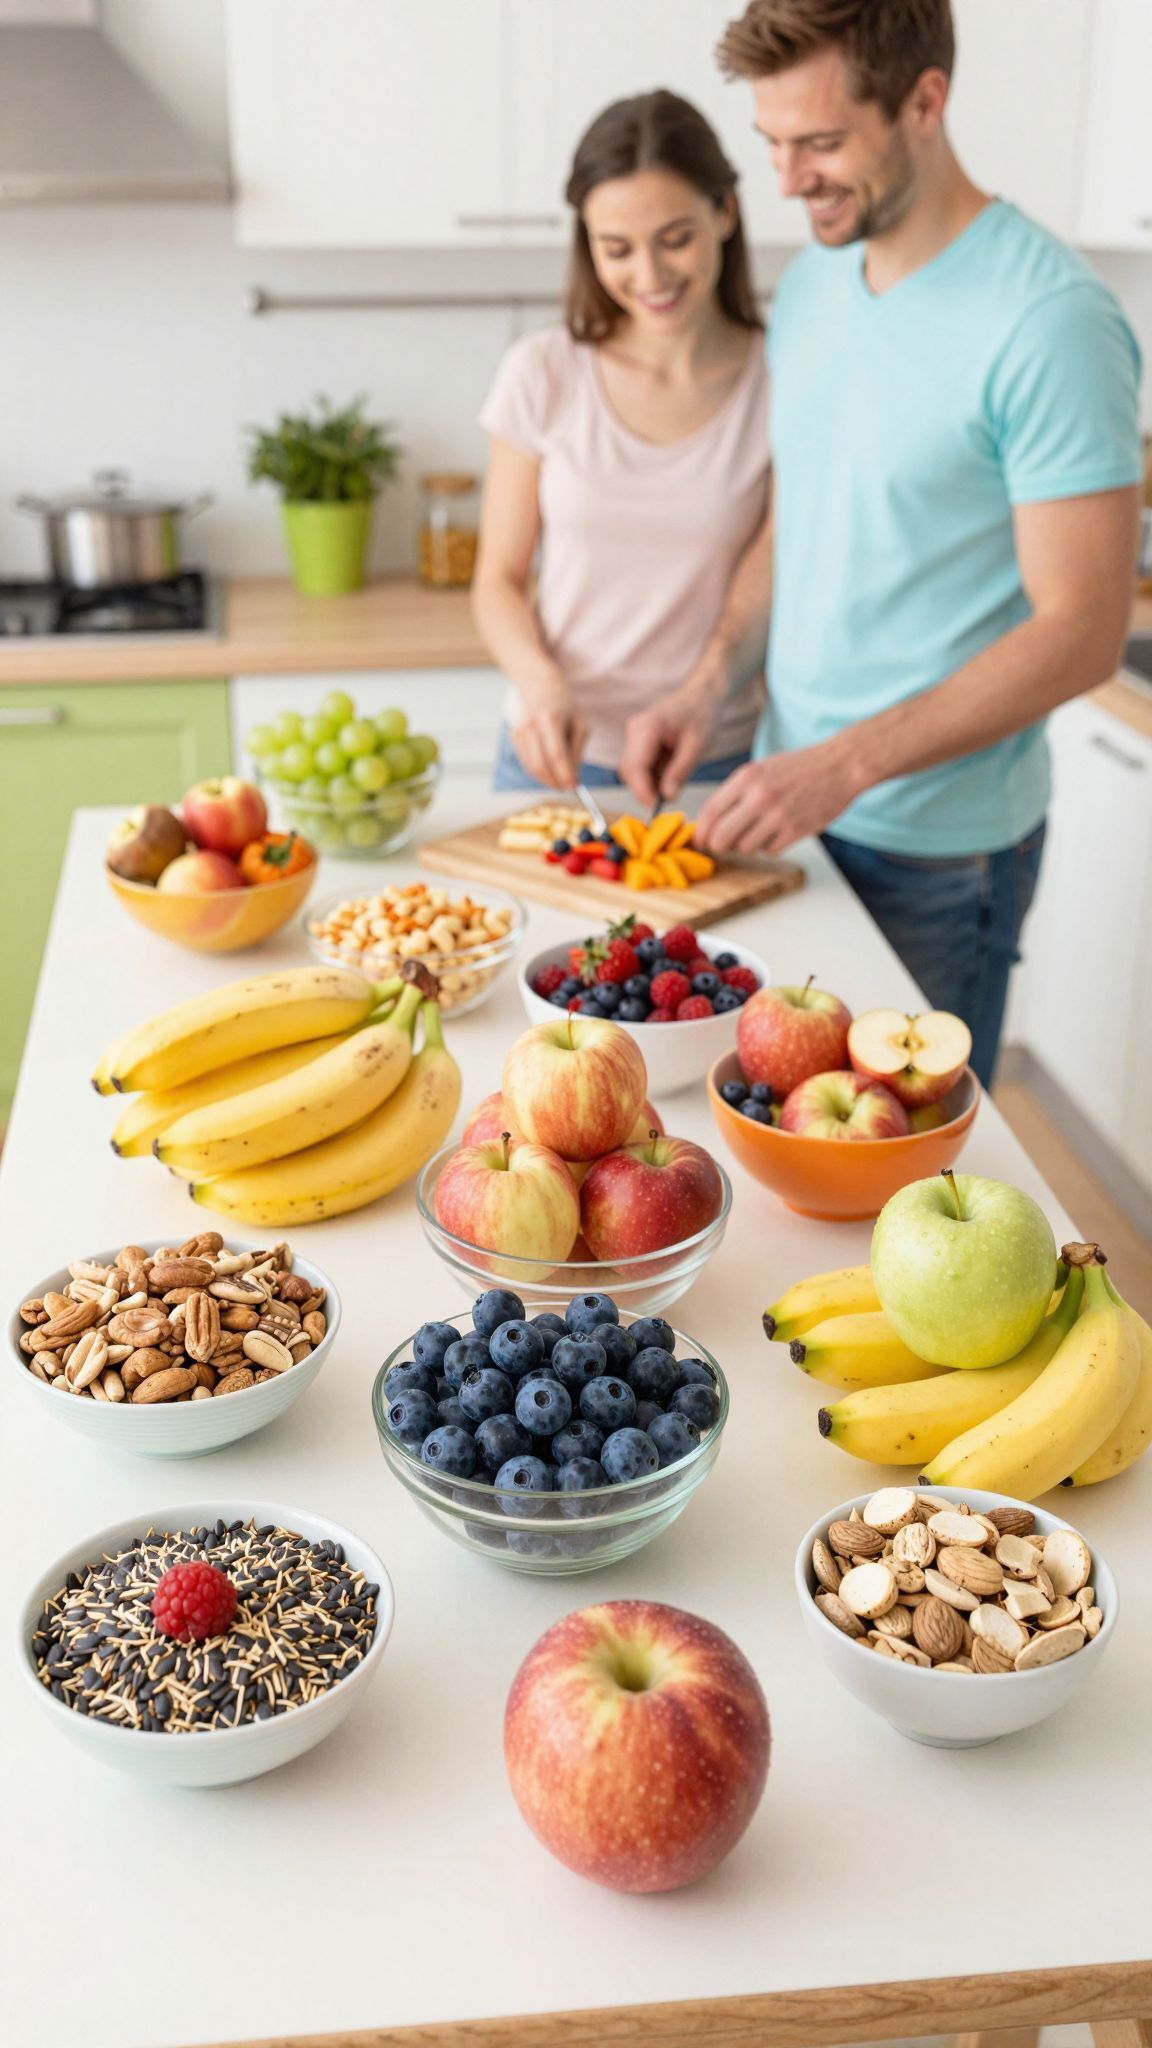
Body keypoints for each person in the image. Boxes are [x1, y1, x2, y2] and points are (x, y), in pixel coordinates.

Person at [636, 0, 1142, 1088]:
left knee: (904, 1170)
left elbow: (1085, 630)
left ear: (925, 101)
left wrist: (844, 764)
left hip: (939, 856)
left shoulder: (1050, 321)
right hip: (791, 815)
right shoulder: (820, 278)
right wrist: (710, 681)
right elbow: (803, 513)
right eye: (773, 143)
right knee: (784, 1146)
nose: (788, 180)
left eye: (820, 142)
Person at [472, 89, 774, 796]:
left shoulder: (782, 378)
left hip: (714, 756)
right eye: (617, 249)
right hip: (552, 754)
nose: (650, 275)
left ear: (725, 213)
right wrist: (541, 685)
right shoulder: (542, 371)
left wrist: (700, 695)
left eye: (675, 238)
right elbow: (497, 581)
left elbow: (768, 575)